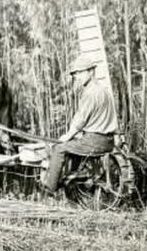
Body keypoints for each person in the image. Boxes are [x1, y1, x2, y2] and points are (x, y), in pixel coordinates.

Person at [41, 54, 119, 194]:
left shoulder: (90, 93)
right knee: (73, 146)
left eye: (80, 72)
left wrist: (68, 135)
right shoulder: (104, 90)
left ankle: (48, 189)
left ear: (91, 71)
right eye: (76, 74)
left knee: (59, 149)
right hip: (108, 140)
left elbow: (80, 120)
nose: (77, 76)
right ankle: (73, 187)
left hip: (94, 140)